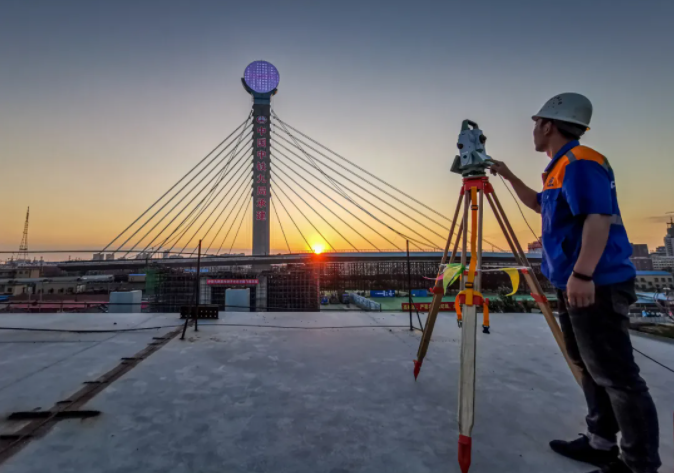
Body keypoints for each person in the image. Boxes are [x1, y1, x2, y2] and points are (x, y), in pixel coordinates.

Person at [490, 93, 660, 473]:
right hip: (574, 282)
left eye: (536, 123)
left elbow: (598, 219)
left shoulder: (581, 163)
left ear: (548, 125)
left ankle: (639, 465)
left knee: (617, 377)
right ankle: (601, 443)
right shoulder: (559, 167)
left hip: (595, 283)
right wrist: (508, 174)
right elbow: (539, 205)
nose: (533, 131)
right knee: (588, 366)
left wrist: (583, 274)